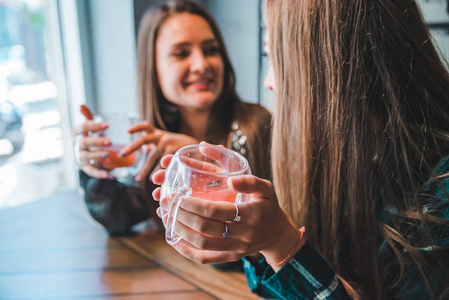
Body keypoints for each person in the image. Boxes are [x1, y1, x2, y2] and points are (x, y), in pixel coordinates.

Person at [152, 0, 449, 298]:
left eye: (275, 56)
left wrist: (281, 244)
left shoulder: (438, 189)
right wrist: (258, 243)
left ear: (331, 62)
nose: (269, 82)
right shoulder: (353, 158)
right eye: (180, 53)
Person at [73, 0, 271, 239]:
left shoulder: (258, 124)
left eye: (211, 50)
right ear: (154, 71)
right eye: (181, 53)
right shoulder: (153, 140)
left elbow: (257, 237)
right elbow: (118, 219)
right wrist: (95, 168)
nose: (201, 64)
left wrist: (194, 158)